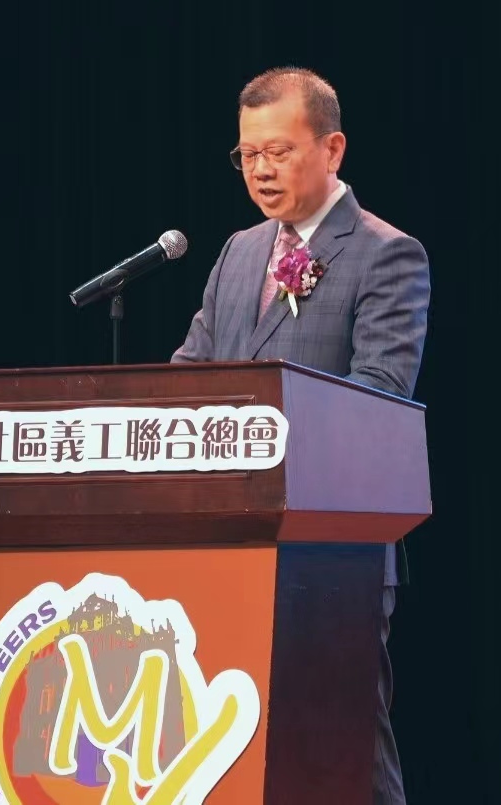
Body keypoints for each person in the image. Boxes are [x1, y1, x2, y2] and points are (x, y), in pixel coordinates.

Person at [171, 66, 430, 805]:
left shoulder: (386, 253)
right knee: (241, 753)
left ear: (332, 148)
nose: (260, 169)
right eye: (248, 154)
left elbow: (378, 397)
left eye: (278, 151)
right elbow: (192, 375)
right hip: (226, 542)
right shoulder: (238, 252)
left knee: (342, 748)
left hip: (330, 553)